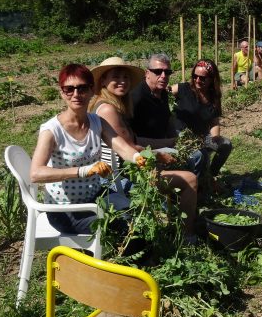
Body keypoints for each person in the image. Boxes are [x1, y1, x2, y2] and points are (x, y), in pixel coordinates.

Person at [89, 56, 198, 241]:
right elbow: (129, 148)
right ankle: (186, 236)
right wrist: (159, 154)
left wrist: (168, 144)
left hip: (125, 169)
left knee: (179, 164)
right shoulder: (108, 110)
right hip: (118, 178)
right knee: (190, 180)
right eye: (116, 77)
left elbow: (133, 141)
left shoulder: (115, 105)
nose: (122, 81)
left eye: (125, 77)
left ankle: (173, 223)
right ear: (103, 80)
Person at [30, 63, 144, 235]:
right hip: (65, 210)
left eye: (82, 88)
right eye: (69, 89)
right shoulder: (52, 130)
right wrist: (83, 171)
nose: (76, 94)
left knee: (134, 213)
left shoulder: (97, 122)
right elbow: (36, 173)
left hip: (96, 196)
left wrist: (137, 157)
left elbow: (120, 146)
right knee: (120, 224)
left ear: (92, 90)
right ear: (62, 93)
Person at [171, 59, 233, 186]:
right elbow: (164, 93)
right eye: (195, 76)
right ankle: (195, 184)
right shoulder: (183, 89)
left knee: (226, 144)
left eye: (203, 78)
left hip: (201, 137)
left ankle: (211, 175)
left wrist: (215, 138)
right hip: (181, 137)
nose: (198, 80)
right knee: (201, 154)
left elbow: (214, 121)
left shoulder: (213, 97)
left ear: (211, 79)